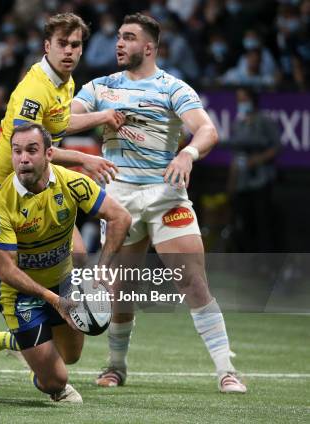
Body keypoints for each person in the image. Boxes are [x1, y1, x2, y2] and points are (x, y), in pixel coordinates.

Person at [0, 12, 126, 386]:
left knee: (75, 253)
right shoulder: (32, 91)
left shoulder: (65, 82)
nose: (70, 51)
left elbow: (58, 125)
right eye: (63, 44)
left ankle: (37, 336)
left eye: (76, 45)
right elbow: (30, 150)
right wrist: (85, 158)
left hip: (35, 187)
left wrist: (101, 116)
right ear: (47, 46)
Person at [71, 13, 247, 393]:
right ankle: (116, 366)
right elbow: (63, 120)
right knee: (122, 288)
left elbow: (207, 129)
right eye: (118, 36)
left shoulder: (172, 88)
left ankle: (226, 370)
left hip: (166, 194)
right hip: (119, 198)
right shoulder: (100, 87)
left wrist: (188, 155)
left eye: (128, 37)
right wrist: (101, 116)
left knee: (192, 281)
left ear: (148, 47)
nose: (119, 43)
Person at [0, 123, 130, 402]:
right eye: (17, 151)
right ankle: (34, 357)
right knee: (56, 383)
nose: (23, 158)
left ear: (49, 154)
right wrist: (52, 299)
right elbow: (6, 271)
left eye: (32, 150)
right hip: (21, 294)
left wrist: (103, 270)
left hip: (63, 282)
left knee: (71, 355)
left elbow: (120, 217)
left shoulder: (72, 182)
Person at [226, 87, 280, 252]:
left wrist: (257, 160)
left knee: (263, 223)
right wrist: (231, 183)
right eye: (238, 100)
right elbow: (236, 156)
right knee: (244, 224)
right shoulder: (238, 124)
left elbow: (276, 147)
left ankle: (266, 265)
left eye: (243, 99)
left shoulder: (264, 121)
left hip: (261, 181)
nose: (240, 103)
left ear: (252, 100)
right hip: (242, 183)